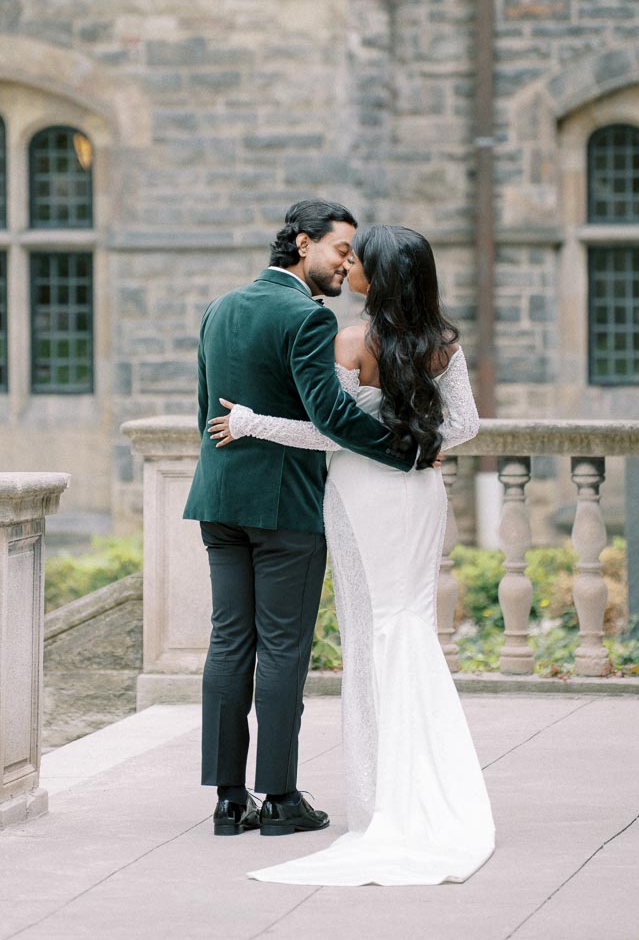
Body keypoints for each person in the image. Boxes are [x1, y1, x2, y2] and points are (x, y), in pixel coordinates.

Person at [209, 224, 495, 886]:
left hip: (362, 495)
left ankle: (383, 799)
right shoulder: (441, 345)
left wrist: (252, 422)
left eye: (360, 260)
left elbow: (327, 431)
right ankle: (426, 782)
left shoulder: (349, 341)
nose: (350, 264)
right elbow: (466, 427)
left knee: (371, 637)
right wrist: (421, 442)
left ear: (383, 277)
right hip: (419, 493)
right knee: (410, 627)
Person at [183, 201, 417, 839]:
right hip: (284, 506)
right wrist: (408, 450)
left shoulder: (219, 307)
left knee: (229, 642)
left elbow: (206, 406)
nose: (348, 263)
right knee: (283, 647)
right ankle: (280, 798)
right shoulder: (309, 318)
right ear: (303, 244)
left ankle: (230, 801)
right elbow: (331, 419)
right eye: (341, 250)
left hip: (219, 501)